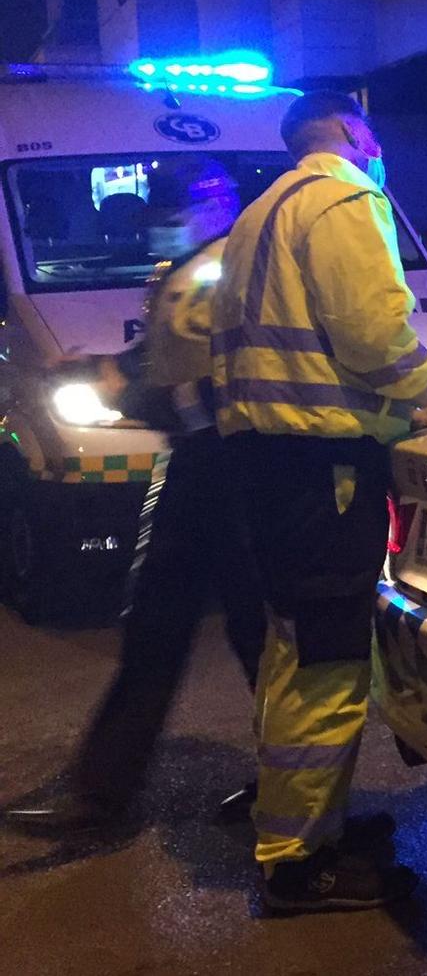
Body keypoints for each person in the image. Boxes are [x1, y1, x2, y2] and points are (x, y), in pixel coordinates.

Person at [210, 91, 427, 913]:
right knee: (328, 662)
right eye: (375, 135)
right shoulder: (344, 197)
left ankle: (306, 826)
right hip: (323, 468)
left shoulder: (260, 211)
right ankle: (299, 863)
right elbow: (376, 341)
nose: (380, 150)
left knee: (293, 650)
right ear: (354, 132)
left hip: (271, 466)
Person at [5, 160, 266, 836]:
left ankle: (294, 786)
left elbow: (206, 382)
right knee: (155, 630)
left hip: (235, 474)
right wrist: (96, 371)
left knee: (259, 636)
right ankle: (99, 795)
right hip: (195, 474)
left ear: (214, 205)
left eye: (170, 212)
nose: (158, 225)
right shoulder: (186, 271)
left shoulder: (232, 268)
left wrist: (131, 388)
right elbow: (156, 362)